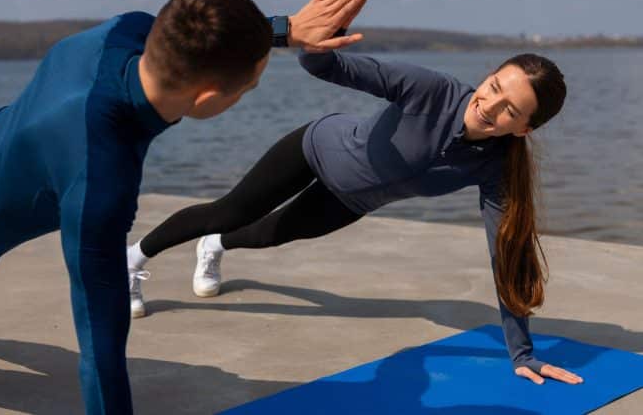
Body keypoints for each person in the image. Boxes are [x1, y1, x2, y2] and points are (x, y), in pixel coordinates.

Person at [0, 0, 367, 414]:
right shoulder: (100, 175)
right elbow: (99, 349)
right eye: (245, 91)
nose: (242, 97)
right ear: (209, 98)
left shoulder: (124, 31)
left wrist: (285, 29)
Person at [127, 39, 585, 386]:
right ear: (487, 76)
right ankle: (134, 259)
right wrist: (310, 39)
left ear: (524, 128)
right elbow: (327, 65)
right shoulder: (431, 90)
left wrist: (522, 354)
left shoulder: (496, 167)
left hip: (352, 201)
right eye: (493, 88)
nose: (490, 106)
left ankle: (216, 247)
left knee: (271, 234)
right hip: (313, 149)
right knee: (227, 210)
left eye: (510, 111)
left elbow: (505, 254)